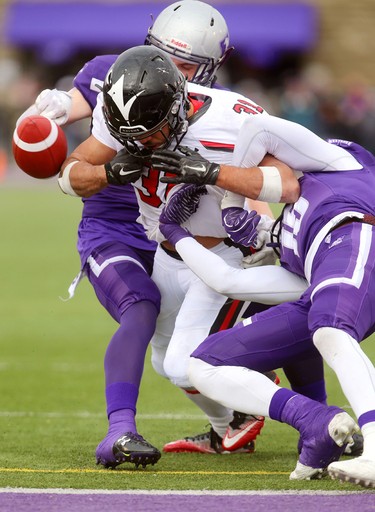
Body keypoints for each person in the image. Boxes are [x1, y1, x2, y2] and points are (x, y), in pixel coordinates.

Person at [19, 1, 259, 466]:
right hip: (115, 228)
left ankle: (244, 421)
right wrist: (45, 116)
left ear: (211, 69)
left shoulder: (219, 108)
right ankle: (120, 432)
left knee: (189, 346)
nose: (171, 71)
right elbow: (73, 141)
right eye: (162, 54)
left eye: (186, 64)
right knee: (141, 307)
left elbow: (247, 173)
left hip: (179, 235)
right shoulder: (116, 72)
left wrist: (259, 225)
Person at [57, 43, 307, 461]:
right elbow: (69, 175)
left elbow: (287, 184)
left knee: (192, 360)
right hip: (168, 252)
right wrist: (107, 171)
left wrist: (214, 173)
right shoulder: (117, 112)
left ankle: (315, 418)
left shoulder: (232, 116)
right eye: (131, 138)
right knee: (164, 361)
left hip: (221, 255)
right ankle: (232, 424)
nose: (144, 144)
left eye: (152, 132)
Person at [150, 115, 375, 486]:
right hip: (331, 273)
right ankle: (315, 420)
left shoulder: (336, 164)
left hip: (357, 233)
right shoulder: (289, 243)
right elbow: (229, 280)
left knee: (329, 330)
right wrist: (173, 232)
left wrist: (227, 194)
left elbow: (258, 128)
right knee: (204, 365)